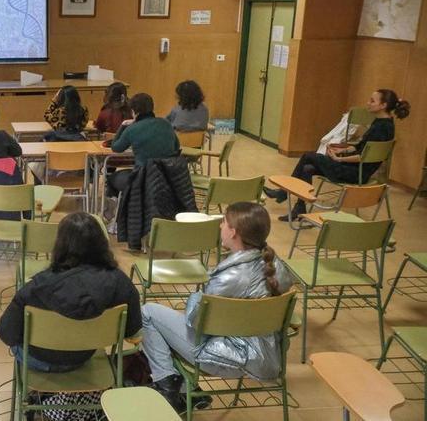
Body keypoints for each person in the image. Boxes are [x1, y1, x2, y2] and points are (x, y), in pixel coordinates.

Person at [140, 202, 292, 414]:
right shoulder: (278, 268)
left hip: (226, 356)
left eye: (223, 222)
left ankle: (170, 387)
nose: (220, 226)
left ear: (234, 232)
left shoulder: (230, 278)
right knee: (165, 325)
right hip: (265, 355)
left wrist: (197, 296)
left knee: (148, 313)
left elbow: (194, 321)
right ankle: (185, 388)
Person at [0, 212, 141, 372]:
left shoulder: (37, 287)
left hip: (37, 359)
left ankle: (34, 393)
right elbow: (132, 332)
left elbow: (6, 332)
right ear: (101, 243)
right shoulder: (120, 282)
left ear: (60, 244)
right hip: (82, 357)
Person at [263, 88, 410, 221]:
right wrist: (342, 150)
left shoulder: (381, 128)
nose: (368, 103)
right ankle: (299, 207)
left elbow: (363, 157)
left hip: (356, 172)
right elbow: (361, 148)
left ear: (383, 105)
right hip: (356, 169)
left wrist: (339, 159)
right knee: (308, 168)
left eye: (372, 101)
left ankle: (284, 193)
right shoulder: (384, 123)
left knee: (308, 156)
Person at [105, 93, 180, 197]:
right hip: (166, 177)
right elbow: (176, 147)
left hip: (142, 179)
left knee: (111, 179)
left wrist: (122, 126)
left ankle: (122, 209)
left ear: (134, 111)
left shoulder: (132, 129)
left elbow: (116, 148)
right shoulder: (166, 124)